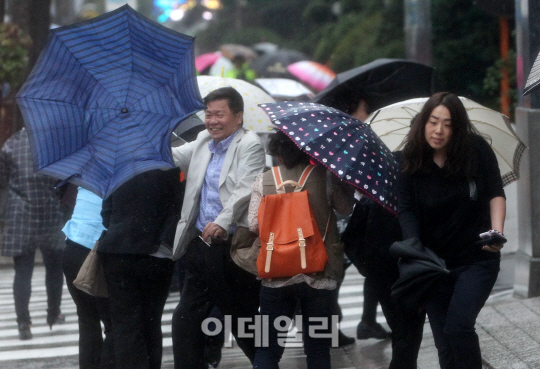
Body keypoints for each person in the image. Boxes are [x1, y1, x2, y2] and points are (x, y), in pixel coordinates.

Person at [398, 92, 506, 369]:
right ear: (424, 123)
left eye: (447, 124)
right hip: (435, 266)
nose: (439, 130)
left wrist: (496, 232)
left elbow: (495, 193)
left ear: (457, 128)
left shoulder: (476, 150)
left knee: (458, 327)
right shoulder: (410, 160)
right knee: (444, 345)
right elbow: (406, 208)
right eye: (433, 121)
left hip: (477, 258)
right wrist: (413, 246)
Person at [171, 86, 266, 368]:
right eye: (208, 114)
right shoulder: (203, 139)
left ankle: (266, 362)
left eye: (219, 114)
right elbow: (174, 158)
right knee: (186, 318)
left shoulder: (249, 144)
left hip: (232, 249)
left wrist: (222, 222)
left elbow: (245, 190)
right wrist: (153, 135)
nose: (212, 121)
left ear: (238, 116)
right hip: (201, 246)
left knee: (243, 319)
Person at [248, 130, 354, 369]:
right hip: (317, 273)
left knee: (268, 348)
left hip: (276, 273)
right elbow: (346, 209)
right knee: (317, 349)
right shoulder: (325, 177)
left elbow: (254, 224)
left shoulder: (263, 180)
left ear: (278, 154)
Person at [97, 168, 182, 369]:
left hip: (118, 253)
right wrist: (162, 243)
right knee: (151, 321)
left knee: (125, 324)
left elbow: (105, 213)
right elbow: (178, 211)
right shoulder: (167, 169)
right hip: (155, 255)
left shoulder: (116, 170)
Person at [0, 127, 66, 340]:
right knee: (54, 268)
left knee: (23, 272)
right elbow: (63, 181)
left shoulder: (10, 145)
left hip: (20, 214)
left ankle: (23, 321)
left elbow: (3, 180)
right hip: (49, 212)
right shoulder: (52, 146)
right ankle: (53, 312)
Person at [61, 187, 114, 369]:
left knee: (87, 321)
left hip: (74, 247)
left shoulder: (88, 170)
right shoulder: (120, 174)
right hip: (99, 252)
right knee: (113, 325)